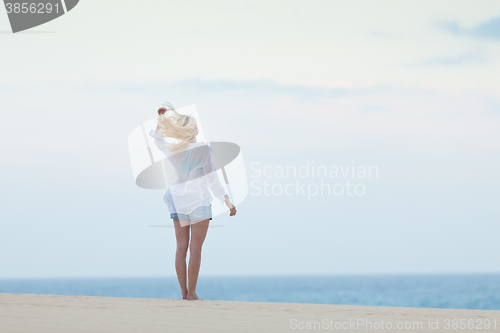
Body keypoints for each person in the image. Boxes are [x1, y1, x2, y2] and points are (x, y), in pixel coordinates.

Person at [148, 102, 237, 300]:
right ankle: (192, 294)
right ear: (196, 130)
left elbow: (158, 140)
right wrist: (226, 200)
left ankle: (183, 293)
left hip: (177, 202)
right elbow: (212, 178)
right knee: (195, 248)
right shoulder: (203, 149)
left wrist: (161, 119)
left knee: (181, 247)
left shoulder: (173, 149)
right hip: (199, 203)